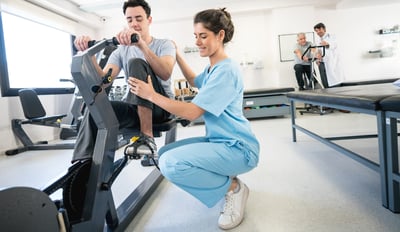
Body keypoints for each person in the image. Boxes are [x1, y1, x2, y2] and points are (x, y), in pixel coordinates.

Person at [130, 8, 260, 230]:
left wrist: (151, 95)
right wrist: (177, 54)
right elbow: (193, 80)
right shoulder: (213, 68)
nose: (198, 42)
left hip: (239, 149)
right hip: (220, 142)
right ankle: (225, 177)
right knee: (164, 154)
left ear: (220, 35)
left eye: (203, 36)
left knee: (171, 164)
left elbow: (191, 112)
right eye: (196, 36)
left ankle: (233, 188)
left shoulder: (226, 71)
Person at [71, 0, 176, 163]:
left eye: (139, 18)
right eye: (130, 19)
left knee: (135, 63)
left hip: (161, 107)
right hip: (135, 107)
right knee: (95, 109)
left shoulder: (164, 44)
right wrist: (89, 55)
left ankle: (147, 137)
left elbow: (165, 73)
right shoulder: (121, 50)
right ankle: (81, 162)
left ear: (149, 20)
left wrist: (141, 45)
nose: (134, 23)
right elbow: (104, 81)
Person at [314, 22, 345, 88]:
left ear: (324, 29)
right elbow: (318, 50)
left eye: (319, 30)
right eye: (316, 31)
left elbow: (334, 45)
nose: (318, 32)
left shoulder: (332, 36)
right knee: (325, 81)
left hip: (331, 62)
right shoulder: (318, 40)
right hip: (322, 63)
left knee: (334, 81)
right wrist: (317, 58)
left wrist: (327, 44)